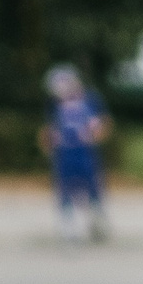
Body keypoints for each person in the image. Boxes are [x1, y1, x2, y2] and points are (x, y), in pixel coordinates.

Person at [40, 64, 111, 242]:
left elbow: (102, 124)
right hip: (65, 153)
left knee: (93, 188)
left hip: (84, 151)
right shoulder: (54, 104)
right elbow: (48, 129)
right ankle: (68, 226)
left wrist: (94, 136)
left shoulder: (89, 99)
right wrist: (49, 145)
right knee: (65, 189)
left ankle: (97, 222)